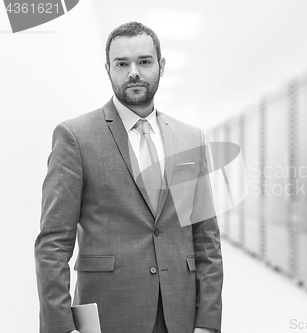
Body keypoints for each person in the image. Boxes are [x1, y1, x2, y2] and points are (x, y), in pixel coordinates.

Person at [34, 22, 223, 333]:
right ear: (108, 68)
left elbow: (206, 238)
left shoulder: (191, 139)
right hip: (108, 313)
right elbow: (53, 243)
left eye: (144, 61)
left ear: (160, 66)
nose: (133, 72)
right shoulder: (75, 137)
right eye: (122, 63)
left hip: (180, 314)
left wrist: (208, 322)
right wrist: (61, 327)